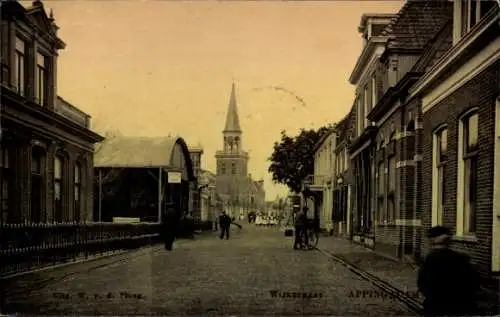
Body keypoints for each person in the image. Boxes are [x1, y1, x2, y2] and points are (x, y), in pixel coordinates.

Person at [417, 226, 480, 316]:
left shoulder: (431, 259)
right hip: (461, 306)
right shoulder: (462, 258)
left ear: (433, 241)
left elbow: (423, 283)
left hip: (437, 307)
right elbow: (474, 283)